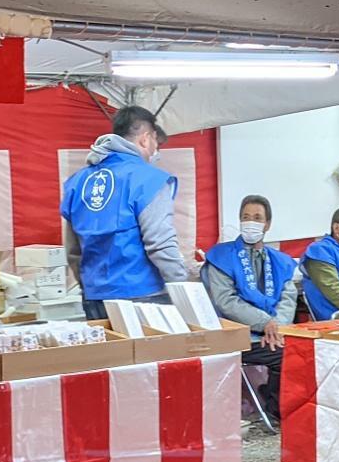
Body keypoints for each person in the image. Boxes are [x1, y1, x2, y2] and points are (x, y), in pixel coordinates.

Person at [61, 105, 191, 319]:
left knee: (108, 354)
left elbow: (73, 250)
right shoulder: (149, 179)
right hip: (144, 297)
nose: (154, 152)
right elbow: (160, 243)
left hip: (95, 298)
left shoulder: (78, 182)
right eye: (156, 144)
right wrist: (184, 288)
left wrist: (89, 287)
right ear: (146, 138)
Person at [202, 194, 299, 424]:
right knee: (286, 356)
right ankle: (277, 411)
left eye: (257, 218)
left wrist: (278, 327)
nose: (251, 222)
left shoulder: (280, 260)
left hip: (273, 333)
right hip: (236, 334)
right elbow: (225, 300)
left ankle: (281, 402)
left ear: (267, 224)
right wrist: (265, 323)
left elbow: (288, 297)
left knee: (302, 349)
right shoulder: (221, 256)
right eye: (246, 217)